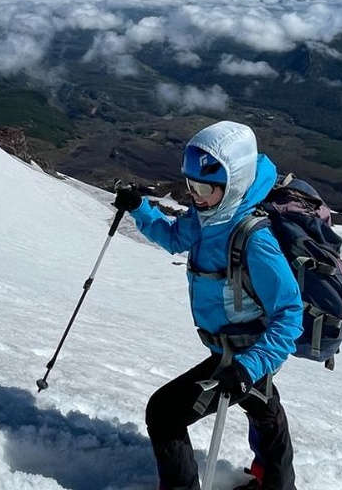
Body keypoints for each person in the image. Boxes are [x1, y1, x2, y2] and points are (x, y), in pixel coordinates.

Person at [113, 120, 303, 490]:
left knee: (165, 413)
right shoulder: (210, 214)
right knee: (263, 407)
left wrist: (248, 366)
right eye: (190, 185)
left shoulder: (254, 238)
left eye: (204, 188)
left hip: (245, 353)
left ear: (234, 183)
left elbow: (289, 312)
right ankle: (275, 483)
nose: (195, 196)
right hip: (232, 350)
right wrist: (140, 208)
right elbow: (174, 238)